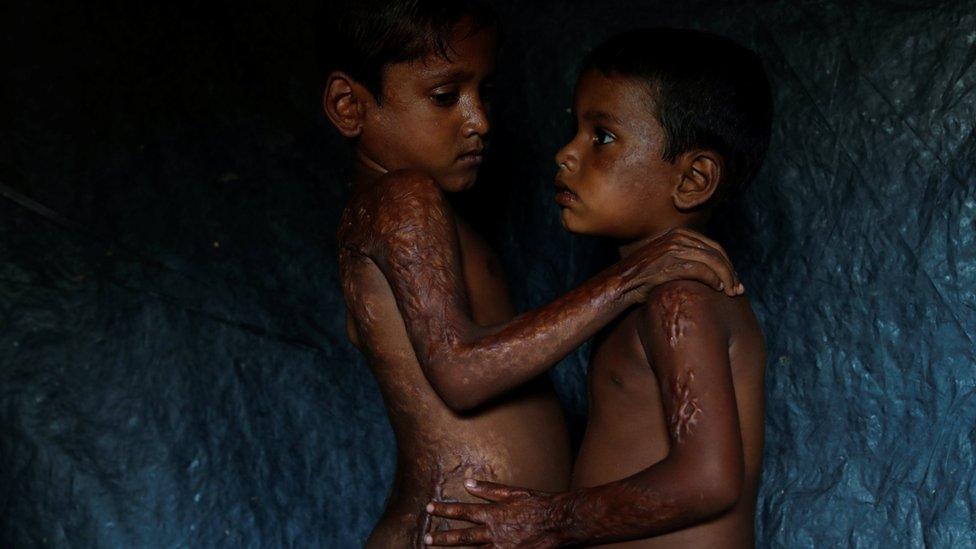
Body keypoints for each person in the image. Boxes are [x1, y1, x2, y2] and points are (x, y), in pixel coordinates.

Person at [321, 3, 744, 544]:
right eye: (446, 96)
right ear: (348, 104)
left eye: (485, 93)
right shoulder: (403, 198)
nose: (480, 122)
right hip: (452, 532)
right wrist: (627, 279)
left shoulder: (400, 214)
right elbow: (460, 373)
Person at [426, 27, 773, 548]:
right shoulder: (640, 298)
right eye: (575, 130)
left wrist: (547, 520)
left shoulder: (681, 300)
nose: (566, 154)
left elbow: (708, 478)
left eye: (602, 137)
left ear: (694, 179)